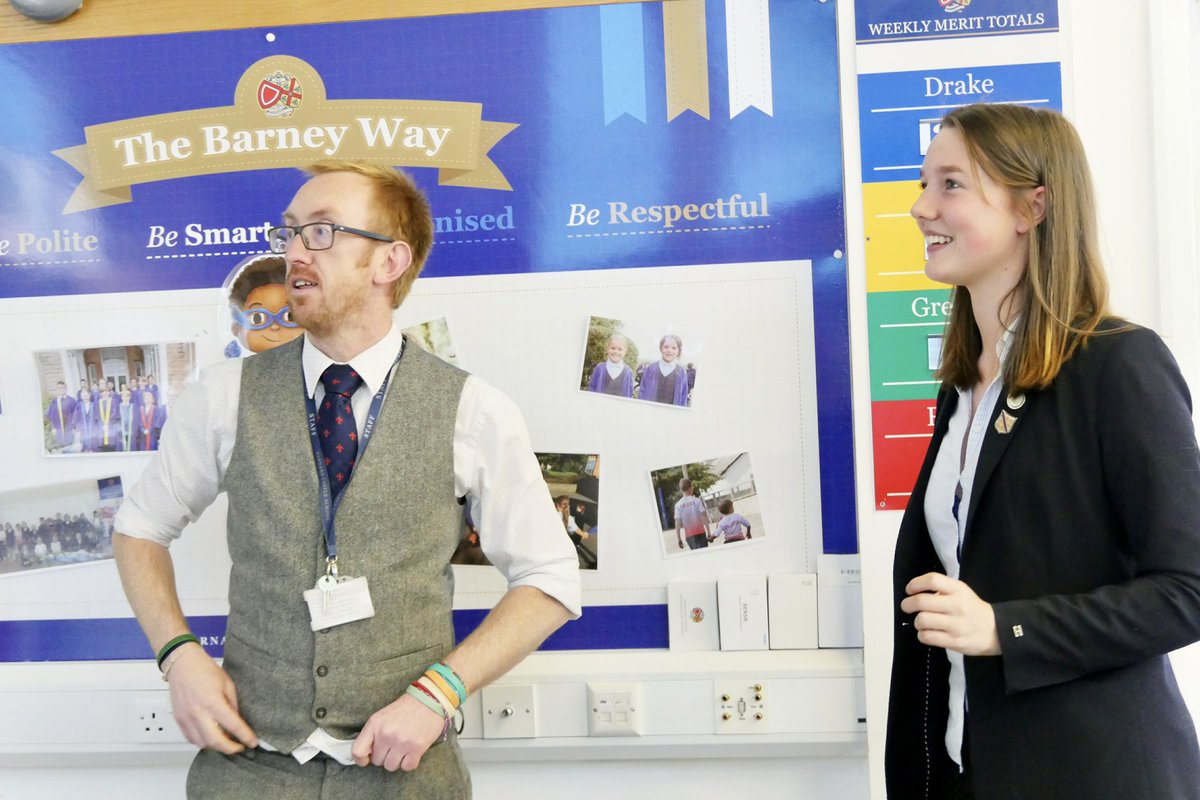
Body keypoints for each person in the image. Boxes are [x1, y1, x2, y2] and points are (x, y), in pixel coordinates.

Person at [112, 159, 581, 800]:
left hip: (407, 775)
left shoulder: (474, 410)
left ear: (389, 261)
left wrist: (440, 692)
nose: (293, 253)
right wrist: (179, 655)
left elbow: (550, 579)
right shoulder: (223, 396)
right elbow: (139, 528)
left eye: (322, 232)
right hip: (244, 768)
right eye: (290, 232)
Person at [885, 103, 1200, 800]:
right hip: (965, 772)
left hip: (1095, 774)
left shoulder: (1118, 365)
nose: (920, 207)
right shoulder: (962, 388)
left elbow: (1189, 590)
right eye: (923, 184)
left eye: (951, 185)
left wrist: (1006, 628)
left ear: (1033, 207)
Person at [224, 253, 305, 357]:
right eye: (257, 318)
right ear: (236, 327)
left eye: (290, 316)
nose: (275, 326)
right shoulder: (235, 367)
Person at [636, 334, 688, 406]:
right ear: (661, 348)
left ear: (679, 351)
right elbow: (642, 390)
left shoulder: (681, 372)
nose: (669, 350)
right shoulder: (651, 368)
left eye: (674, 348)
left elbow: (683, 396)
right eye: (666, 347)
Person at [673, 478, 710, 550]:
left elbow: (677, 523)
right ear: (691, 488)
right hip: (701, 532)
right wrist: (709, 532)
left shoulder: (678, 505)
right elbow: (703, 516)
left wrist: (679, 538)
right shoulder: (697, 501)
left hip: (689, 535)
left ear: (681, 490)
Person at [44, 381, 76, 450]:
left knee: (70, 448)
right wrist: (53, 428)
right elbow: (51, 416)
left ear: (66, 388)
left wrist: (74, 427)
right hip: (58, 429)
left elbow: (76, 415)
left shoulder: (72, 401)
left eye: (63, 387)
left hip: (69, 428)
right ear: (57, 389)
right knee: (60, 448)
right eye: (59, 388)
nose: (61, 389)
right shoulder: (54, 402)